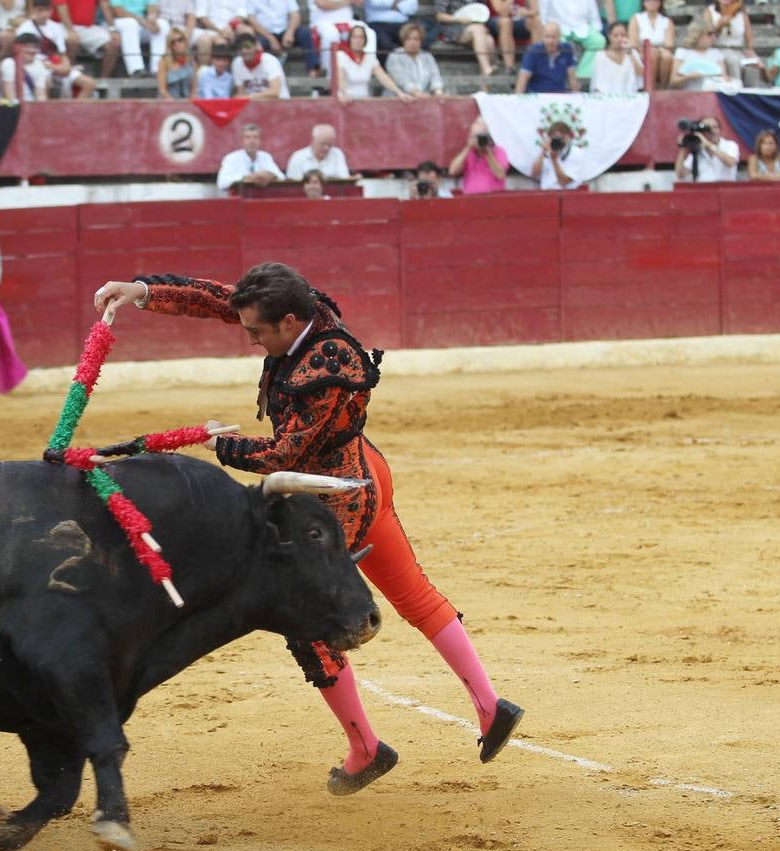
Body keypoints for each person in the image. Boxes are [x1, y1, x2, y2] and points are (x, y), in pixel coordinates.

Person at [92, 264, 525, 792]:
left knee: (310, 624)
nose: (249, 338)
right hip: (364, 474)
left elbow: (283, 453)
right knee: (413, 592)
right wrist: (140, 292)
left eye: (256, 332)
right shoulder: (300, 316)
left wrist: (215, 443)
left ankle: (366, 747)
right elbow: (218, 299)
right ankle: (490, 707)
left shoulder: (326, 364)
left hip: (335, 498)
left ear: (289, 320)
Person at [334, 20, 410, 103]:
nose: (358, 40)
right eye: (355, 37)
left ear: (365, 40)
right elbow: (340, 78)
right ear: (350, 39)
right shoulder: (340, 56)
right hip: (346, 101)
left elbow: (383, 77)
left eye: (361, 37)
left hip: (365, 101)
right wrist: (344, 93)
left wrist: (399, 92)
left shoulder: (369, 57)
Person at [54, 0, 120, 78]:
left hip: (87, 27)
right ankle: (67, 78)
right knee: (72, 40)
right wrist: (70, 30)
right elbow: (60, 6)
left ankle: (104, 80)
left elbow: (104, 4)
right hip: (61, 25)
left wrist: (112, 29)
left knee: (114, 43)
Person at [541, 0, 604, 80]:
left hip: (582, 26)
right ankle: (560, 74)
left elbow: (595, 19)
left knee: (599, 40)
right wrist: (546, 29)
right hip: (558, 27)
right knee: (558, 43)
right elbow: (542, 14)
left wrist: (596, 31)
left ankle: (582, 75)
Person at [702, 0, 759, 86]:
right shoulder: (710, 11)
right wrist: (719, 26)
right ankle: (736, 89)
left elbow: (749, 38)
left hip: (738, 50)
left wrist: (750, 50)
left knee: (753, 63)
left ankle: (753, 92)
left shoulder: (742, 13)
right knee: (733, 61)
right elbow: (707, 37)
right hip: (719, 50)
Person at [215, 120, 283, 190]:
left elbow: (282, 178)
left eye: (255, 137)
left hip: (262, 197)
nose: (252, 141)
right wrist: (247, 177)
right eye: (248, 137)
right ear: (242, 141)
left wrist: (271, 176)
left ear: (260, 141)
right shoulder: (231, 158)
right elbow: (221, 183)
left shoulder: (266, 156)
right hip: (240, 198)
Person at [447, 116, 507, 195]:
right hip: (471, 200)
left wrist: (488, 154)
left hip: (492, 200)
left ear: (488, 136)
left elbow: (500, 175)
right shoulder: (468, 153)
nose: (478, 140)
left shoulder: (498, 151)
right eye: (475, 136)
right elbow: (452, 171)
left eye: (481, 136)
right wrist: (467, 148)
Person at [515, 20, 578, 93]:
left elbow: (572, 78)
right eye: (547, 37)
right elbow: (523, 78)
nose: (550, 41)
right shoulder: (533, 51)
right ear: (542, 37)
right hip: (537, 95)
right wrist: (517, 101)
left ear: (559, 37)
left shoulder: (567, 49)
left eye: (553, 37)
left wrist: (576, 97)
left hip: (560, 95)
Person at [437, 0, 494, 77]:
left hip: (477, 26)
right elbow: (439, 16)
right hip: (454, 27)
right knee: (478, 29)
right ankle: (487, 68)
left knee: (489, 40)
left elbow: (482, 10)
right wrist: (458, 19)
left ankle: (484, 87)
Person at [109, 0, 167, 76]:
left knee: (162, 24)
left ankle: (158, 69)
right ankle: (136, 70)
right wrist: (142, 21)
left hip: (142, 22)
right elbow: (118, 10)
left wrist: (152, 16)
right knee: (130, 24)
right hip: (122, 20)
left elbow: (152, 4)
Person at [674, 115, 739, 183]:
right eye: (707, 128)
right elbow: (681, 174)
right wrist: (682, 150)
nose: (712, 131)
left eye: (714, 127)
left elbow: (730, 163)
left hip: (726, 190)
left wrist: (708, 145)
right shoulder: (697, 149)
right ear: (701, 132)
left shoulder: (730, 145)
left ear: (720, 129)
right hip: (703, 191)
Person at [385, 20, 441, 96]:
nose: (413, 42)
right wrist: (418, 94)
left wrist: (438, 90)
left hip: (423, 98)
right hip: (399, 99)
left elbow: (435, 75)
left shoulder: (427, 56)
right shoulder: (395, 55)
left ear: (421, 41)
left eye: (416, 39)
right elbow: (401, 80)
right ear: (403, 40)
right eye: (409, 39)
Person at [245, 0, 307, 65]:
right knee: (257, 44)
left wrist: (290, 32)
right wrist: (271, 38)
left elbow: (295, 14)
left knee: (304, 34)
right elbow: (251, 20)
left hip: (285, 31)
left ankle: (313, 69)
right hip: (264, 34)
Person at [670, 22, 727, 90]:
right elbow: (673, 81)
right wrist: (688, 77)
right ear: (697, 35)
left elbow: (724, 78)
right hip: (687, 96)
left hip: (711, 96)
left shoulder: (717, 53)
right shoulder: (682, 52)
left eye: (714, 34)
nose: (713, 37)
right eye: (709, 34)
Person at [628, 0, 672, 87]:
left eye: (655, 1)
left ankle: (663, 86)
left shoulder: (666, 21)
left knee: (667, 56)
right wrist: (645, 49)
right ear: (644, 3)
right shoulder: (636, 18)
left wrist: (657, 49)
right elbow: (633, 42)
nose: (652, 3)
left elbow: (669, 43)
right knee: (651, 55)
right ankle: (651, 87)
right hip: (641, 50)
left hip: (661, 50)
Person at [230, 30, 286, 97]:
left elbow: (275, 92)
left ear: (255, 46)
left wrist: (249, 97)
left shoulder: (269, 60)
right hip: (254, 105)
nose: (244, 50)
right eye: (240, 48)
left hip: (278, 104)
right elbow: (241, 93)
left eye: (248, 46)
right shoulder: (237, 63)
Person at [530, 120, 584, 190]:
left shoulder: (576, 152)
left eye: (561, 138)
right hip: (546, 194)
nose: (558, 141)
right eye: (555, 138)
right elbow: (534, 174)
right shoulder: (546, 150)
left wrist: (554, 160)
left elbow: (564, 181)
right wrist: (543, 152)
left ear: (568, 136)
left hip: (569, 195)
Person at [591, 20, 642, 92]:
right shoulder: (600, 55)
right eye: (615, 36)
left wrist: (630, 53)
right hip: (606, 99)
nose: (619, 39)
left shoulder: (632, 52)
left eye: (623, 35)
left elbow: (640, 73)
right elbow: (597, 82)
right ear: (609, 36)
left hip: (630, 98)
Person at [489, 0, 540, 73]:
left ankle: (537, 63)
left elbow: (536, 10)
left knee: (536, 20)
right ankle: (509, 66)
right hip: (498, 21)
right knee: (506, 22)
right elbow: (502, 12)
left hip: (520, 19)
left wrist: (525, 12)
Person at [0, 29, 48, 98]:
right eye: (28, 46)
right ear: (17, 48)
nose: (32, 50)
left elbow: (40, 93)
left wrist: (41, 108)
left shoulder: (39, 65)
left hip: (32, 106)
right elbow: (9, 94)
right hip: (12, 106)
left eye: (35, 47)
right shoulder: (9, 63)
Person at [155, 25, 191, 96]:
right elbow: (162, 90)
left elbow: (193, 88)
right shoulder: (164, 61)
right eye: (173, 42)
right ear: (170, 46)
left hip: (187, 100)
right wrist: (174, 103)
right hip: (169, 101)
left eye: (180, 40)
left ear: (185, 41)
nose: (177, 44)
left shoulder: (190, 60)